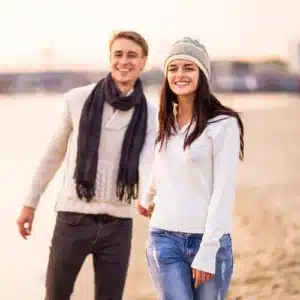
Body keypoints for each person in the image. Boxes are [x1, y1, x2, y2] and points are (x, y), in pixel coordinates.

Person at [16, 31, 157, 300]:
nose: (124, 61)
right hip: (72, 219)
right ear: (109, 59)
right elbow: (53, 155)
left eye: (132, 55)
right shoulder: (76, 100)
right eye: (118, 54)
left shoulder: (149, 113)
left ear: (143, 62)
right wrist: (29, 204)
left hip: (118, 224)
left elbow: (147, 161)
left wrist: (148, 197)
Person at [138, 37, 244, 300]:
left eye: (188, 68)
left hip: (209, 241)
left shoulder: (223, 124)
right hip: (164, 239)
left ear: (202, 74)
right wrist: (147, 197)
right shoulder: (165, 122)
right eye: (173, 68)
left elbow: (223, 191)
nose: (180, 75)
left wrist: (207, 251)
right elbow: (160, 164)